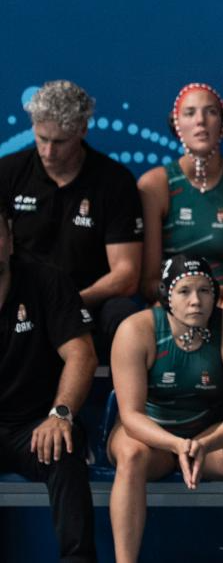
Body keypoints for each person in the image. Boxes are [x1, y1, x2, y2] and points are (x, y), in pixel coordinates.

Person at [108, 254, 223, 563]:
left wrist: (204, 444)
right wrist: (175, 444)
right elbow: (131, 416)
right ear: (166, 296)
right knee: (131, 454)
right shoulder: (136, 330)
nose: (196, 301)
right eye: (184, 291)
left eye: (204, 290)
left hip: (209, 437)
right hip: (151, 437)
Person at [0, 79, 143, 361]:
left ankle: (127, 392)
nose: (48, 152)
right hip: (18, 298)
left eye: (59, 142)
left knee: (126, 317)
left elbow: (126, 275)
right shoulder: (8, 173)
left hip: (88, 299)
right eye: (42, 138)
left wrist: (69, 302)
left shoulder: (114, 181)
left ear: (83, 130)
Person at [0, 205, 99, 563]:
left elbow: (82, 355)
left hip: (36, 425)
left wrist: (60, 414)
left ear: (10, 239)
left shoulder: (46, 281)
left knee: (63, 447)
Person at [137, 83, 223, 336]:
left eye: (210, 112)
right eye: (189, 113)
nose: (200, 121)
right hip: (175, 301)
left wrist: (205, 295)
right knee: (150, 318)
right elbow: (149, 284)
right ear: (176, 124)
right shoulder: (155, 184)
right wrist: (187, 297)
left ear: (222, 123)